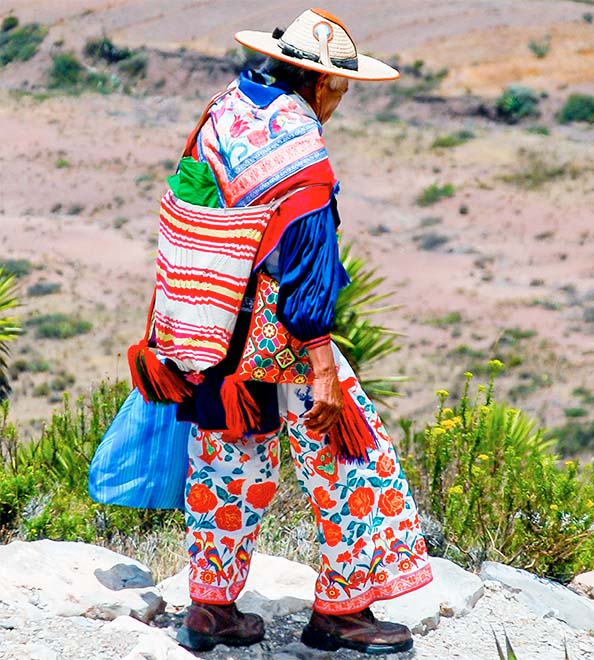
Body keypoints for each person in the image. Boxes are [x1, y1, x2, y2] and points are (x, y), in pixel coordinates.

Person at [161, 8, 432, 655]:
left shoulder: (227, 110)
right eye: (340, 89)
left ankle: (211, 608)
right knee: (349, 456)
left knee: (229, 462)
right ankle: (343, 611)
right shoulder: (301, 154)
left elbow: (189, 198)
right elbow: (310, 264)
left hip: (209, 324)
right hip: (278, 335)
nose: (340, 100)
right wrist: (322, 369)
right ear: (320, 84)